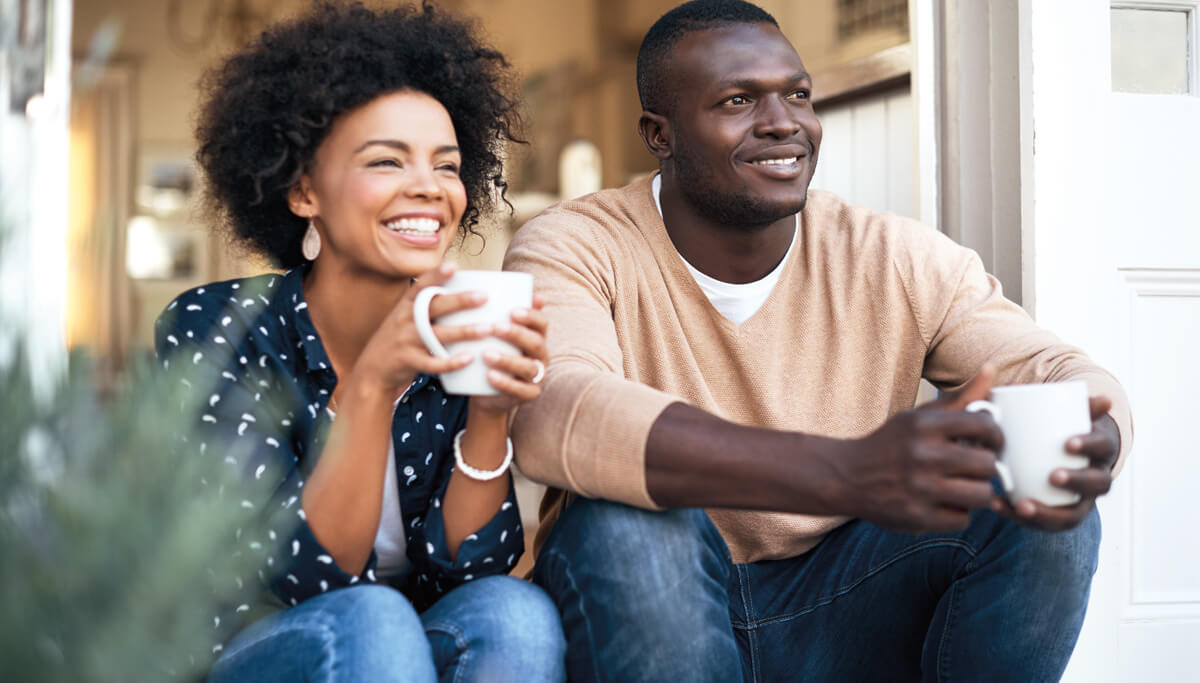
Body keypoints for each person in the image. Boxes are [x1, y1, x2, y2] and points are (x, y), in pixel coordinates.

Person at [503, 1, 1132, 681]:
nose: (784, 122)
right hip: (655, 597)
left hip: (844, 602)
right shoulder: (575, 244)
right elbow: (554, 412)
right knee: (626, 526)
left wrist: (1095, 430)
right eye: (738, 100)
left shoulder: (892, 255)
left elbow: (1054, 367)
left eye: (797, 95)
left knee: (1042, 512)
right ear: (660, 134)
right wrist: (848, 469)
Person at [155, 3, 565, 681]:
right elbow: (298, 578)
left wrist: (491, 414)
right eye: (386, 161)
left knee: (514, 613)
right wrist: (372, 382)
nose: (428, 189)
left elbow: (467, 568)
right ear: (303, 190)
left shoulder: (453, 324)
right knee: (373, 616)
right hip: (258, 643)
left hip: (402, 638)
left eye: (446, 165)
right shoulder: (217, 328)